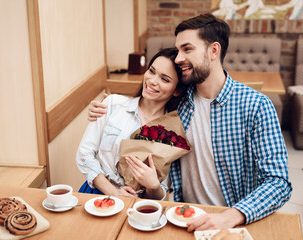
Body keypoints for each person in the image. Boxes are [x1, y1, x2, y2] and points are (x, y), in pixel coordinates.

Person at [88, 13, 292, 231]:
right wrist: (107, 106)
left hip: (233, 222)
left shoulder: (256, 106)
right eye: (178, 50)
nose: (178, 59)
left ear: (214, 50)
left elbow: (278, 183)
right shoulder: (177, 101)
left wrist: (232, 216)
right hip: (183, 218)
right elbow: (143, 105)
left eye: (187, 49)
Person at [76, 48, 185, 200]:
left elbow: (161, 190)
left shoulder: (172, 132)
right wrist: (113, 192)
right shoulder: (112, 104)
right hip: (97, 196)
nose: (152, 81)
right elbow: (84, 154)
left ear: (177, 90)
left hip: (138, 205)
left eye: (164, 79)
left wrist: (153, 186)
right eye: (152, 71)